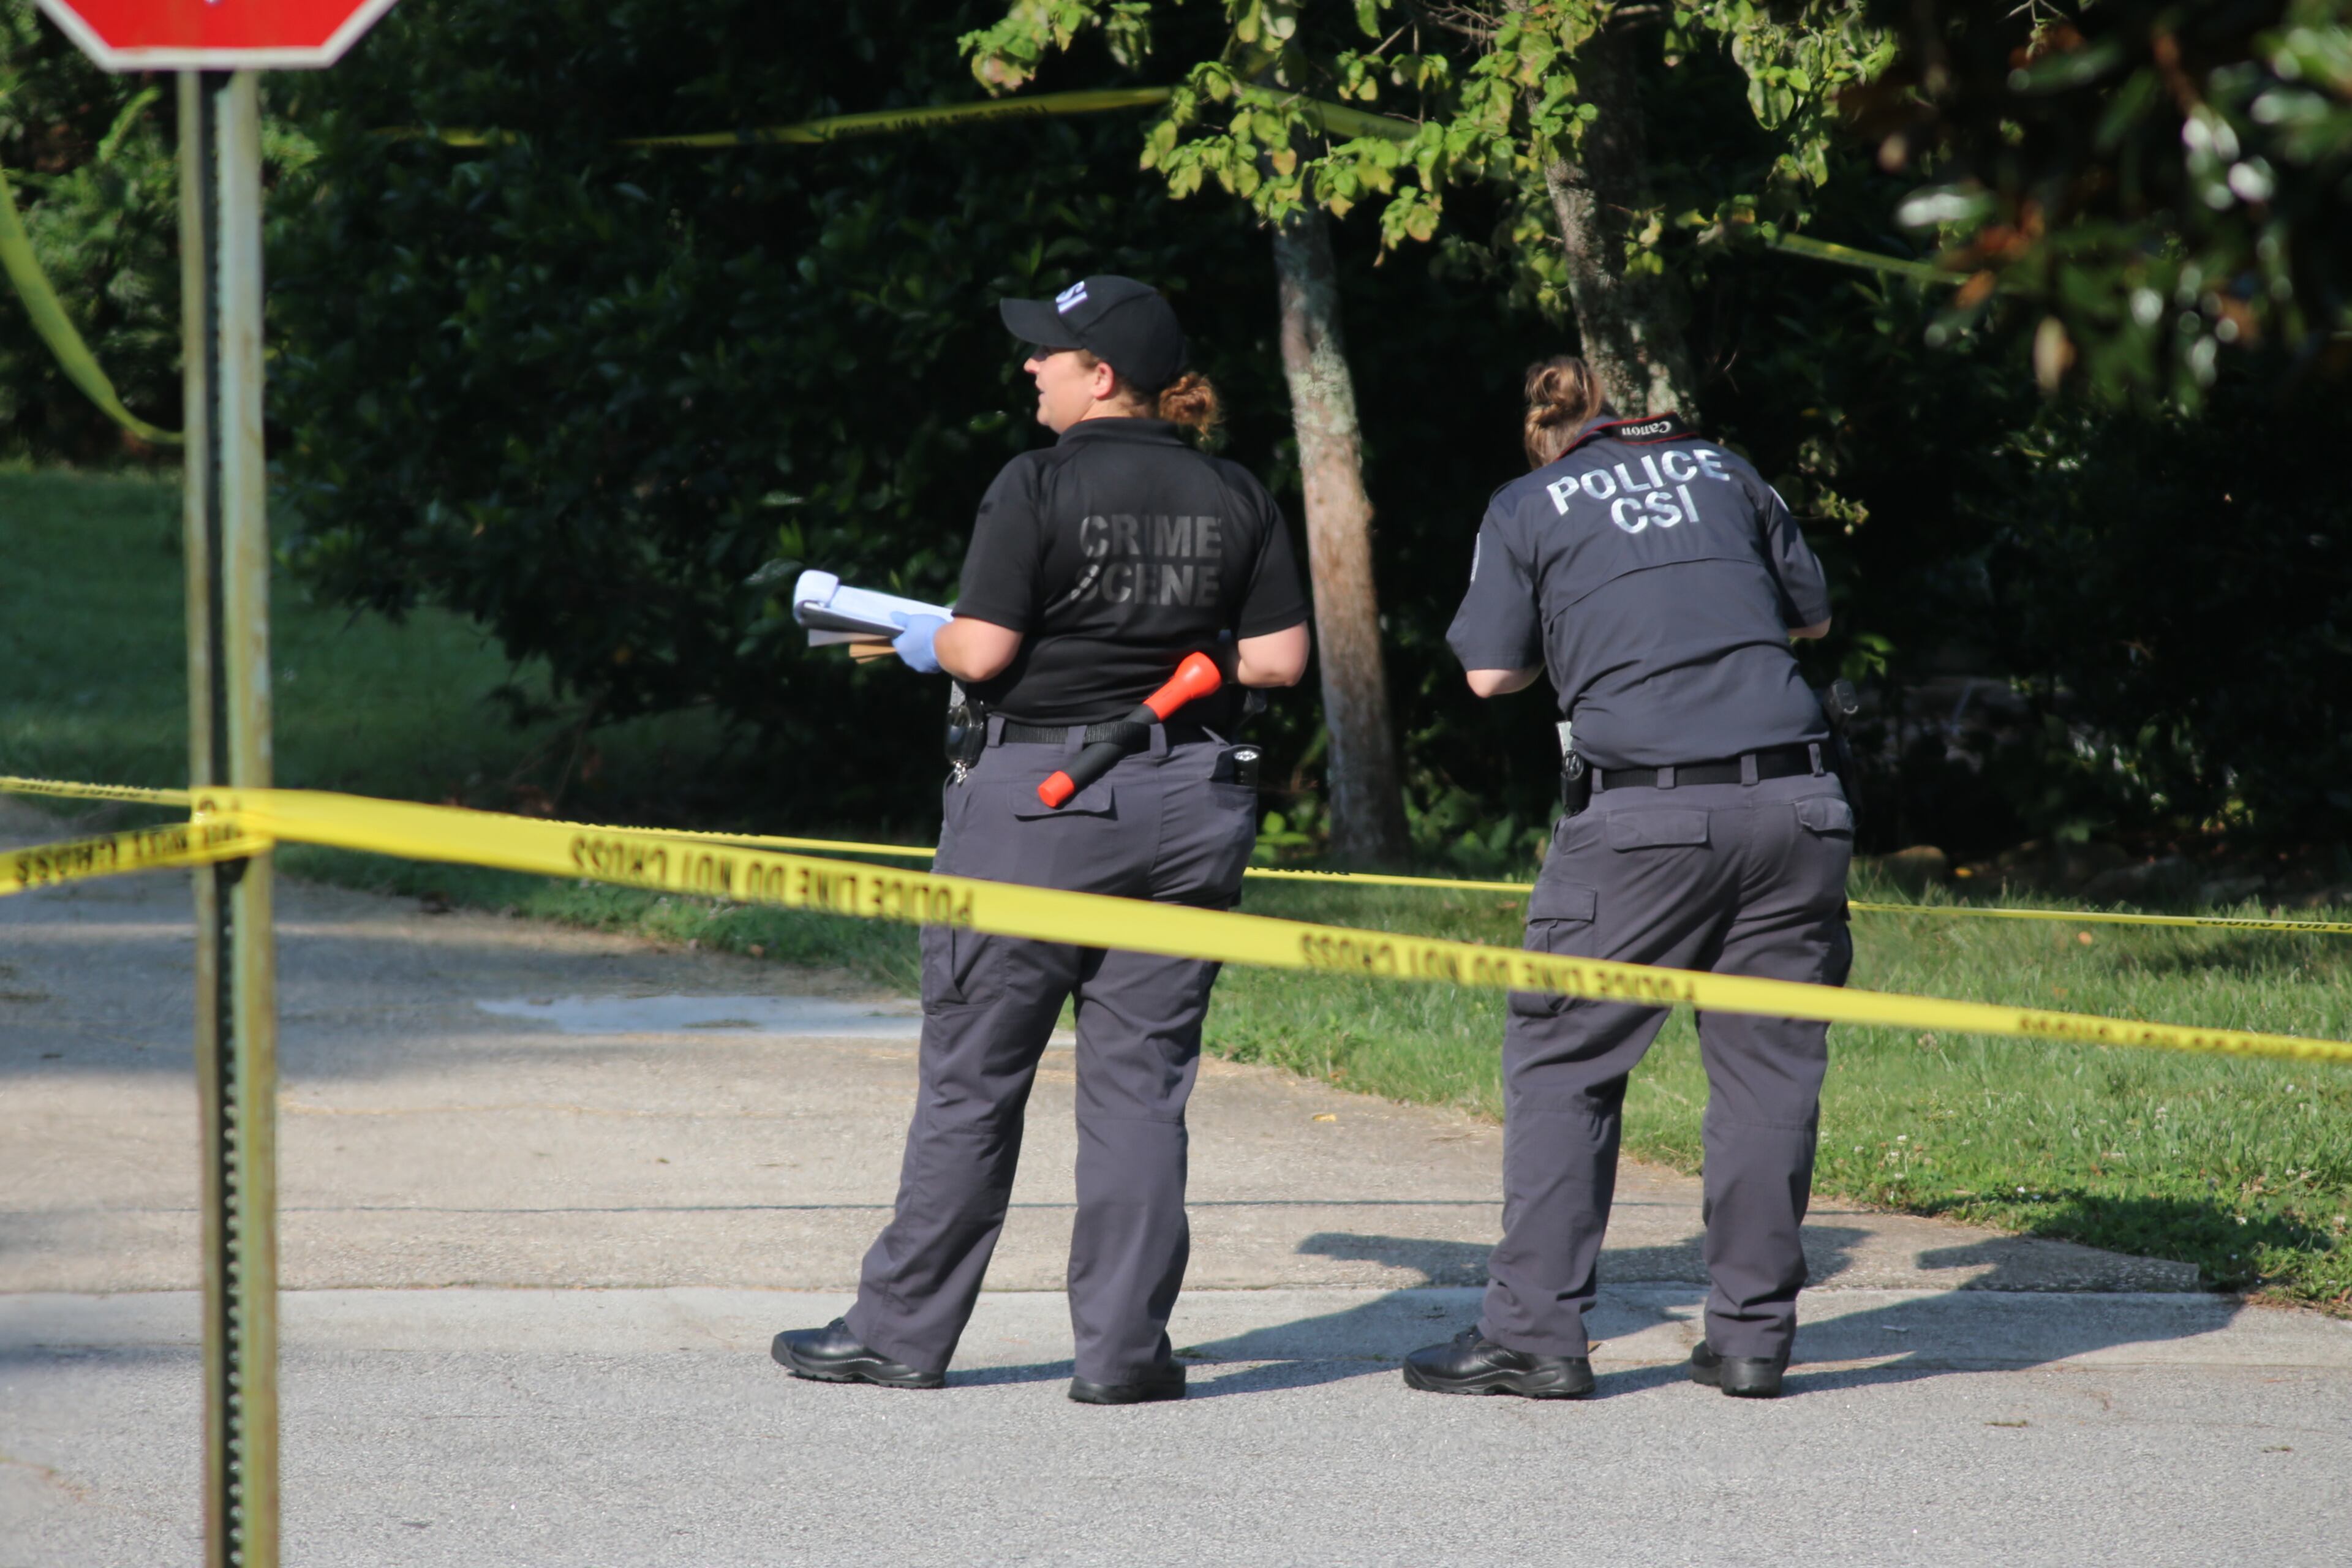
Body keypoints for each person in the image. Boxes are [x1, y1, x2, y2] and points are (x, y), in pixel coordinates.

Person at [773, 275, 1312, 1404]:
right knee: (1142, 1086)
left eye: (1046, 354)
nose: (1030, 368)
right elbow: (1274, 665)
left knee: (975, 1077)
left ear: (1101, 374)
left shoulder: (1035, 484)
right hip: (1191, 801)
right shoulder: (1238, 494)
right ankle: (1122, 1355)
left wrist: (925, 638)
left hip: (1043, 800)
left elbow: (979, 650)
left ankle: (900, 1333)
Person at [1403, 356, 1852, 1402]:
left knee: (1567, 1062)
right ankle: (1751, 1340)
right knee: (1767, 1073)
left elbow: (1489, 674)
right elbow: (1812, 620)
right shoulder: (1731, 474)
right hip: (1800, 804)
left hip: (1644, 815)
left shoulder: (1527, 505)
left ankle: (1534, 1337)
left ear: (1548, 436)